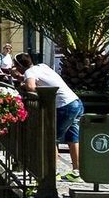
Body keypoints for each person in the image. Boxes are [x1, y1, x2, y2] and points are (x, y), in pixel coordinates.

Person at [15, 53, 82, 182]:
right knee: (72, 137)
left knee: (51, 138)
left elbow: (31, 87)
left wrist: (23, 85)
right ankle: (76, 171)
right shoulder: (42, 66)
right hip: (75, 101)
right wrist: (21, 77)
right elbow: (41, 80)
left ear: (19, 66)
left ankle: (52, 172)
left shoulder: (29, 72)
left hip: (64, 106)